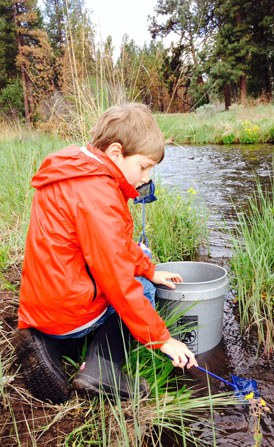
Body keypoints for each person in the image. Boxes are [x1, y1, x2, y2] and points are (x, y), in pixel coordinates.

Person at [13, 103, 197, 404]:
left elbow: (116, 246)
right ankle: (101, 369)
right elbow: (118, 280)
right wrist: (163, 339)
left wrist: (149, 267)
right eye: (143, 166)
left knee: (144, 275)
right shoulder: (98, 195)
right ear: (115, 153)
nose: (146, 177)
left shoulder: (74, 170)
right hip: (70, 313)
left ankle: (49, 345)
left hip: (42, 307)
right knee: (144, 291)